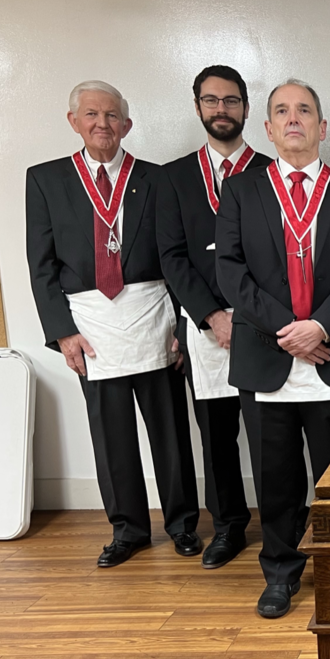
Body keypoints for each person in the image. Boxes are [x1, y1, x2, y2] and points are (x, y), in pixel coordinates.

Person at [215, 79, 330, 617]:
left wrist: (321, 328)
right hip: (268, 358)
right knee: (276, 479)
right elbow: (230, 272)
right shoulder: (241, 191)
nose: (294, 119)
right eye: (283, 111)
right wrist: (291, 331)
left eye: (305, 110)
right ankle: (281, 573)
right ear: (267, 129)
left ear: (322, 126)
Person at [26, 81, 199, 567]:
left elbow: (176, 256)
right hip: (89, 324)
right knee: (111, 434)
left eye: (111, 116)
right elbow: (41, 266)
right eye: (91, 114)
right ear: (74, 121)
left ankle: (183, 524)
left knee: (169, 430)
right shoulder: (45, 180)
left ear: (127, 124)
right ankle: (128, 530)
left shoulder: (157, 178)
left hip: (152, 314)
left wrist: (181, 324)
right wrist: (62, 331)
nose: (102, 123)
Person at [158, 65, 271, 569]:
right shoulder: (173, 177)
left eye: (231, 100)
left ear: (245, 106)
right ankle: (228, 526)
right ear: (198, 106)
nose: (221, 109)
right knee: (216, 435)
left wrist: (246, 313)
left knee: (270, 433)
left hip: (261, 321)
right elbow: (171, 255)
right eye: (211, 100)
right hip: (205, 327)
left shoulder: (271, 169)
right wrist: (209, 316)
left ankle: (282, 523)